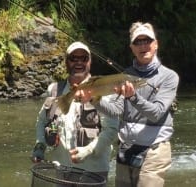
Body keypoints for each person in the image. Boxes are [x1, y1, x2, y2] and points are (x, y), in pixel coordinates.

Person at [75, 22, 179, 187]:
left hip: (154, 150)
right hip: (126, 148)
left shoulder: (169, 77)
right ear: (132, 47)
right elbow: (115, 111)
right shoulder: (126, 76)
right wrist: (94, 100)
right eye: (138, 42)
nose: (143, 45)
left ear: (156, 44)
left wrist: (133, 97)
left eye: (147, 41)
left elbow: (157, 113)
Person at [31, 41, 118, 181]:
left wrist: (88, 150)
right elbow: (42, 121)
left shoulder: (104, 89)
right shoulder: (54, 90)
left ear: (90, 62)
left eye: (83, 58)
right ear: (66, 62)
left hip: (92, 172)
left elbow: (112, 129)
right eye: (73, 58)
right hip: (60, 170)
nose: (78, 63)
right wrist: (40, 145)